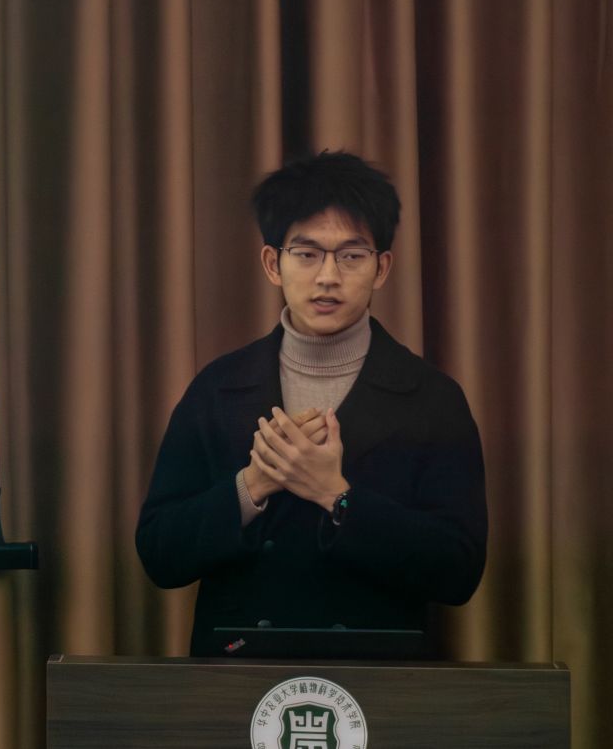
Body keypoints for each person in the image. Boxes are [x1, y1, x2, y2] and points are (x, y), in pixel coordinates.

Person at [136, 152, 486, 657]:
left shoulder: (431, 397)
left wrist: (336, 495)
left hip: (377, 677)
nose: (327, 276)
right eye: (306, 254)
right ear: (272, 264)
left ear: (382, 267)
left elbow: (459, 572)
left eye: (351, 256)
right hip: (238, 673)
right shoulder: (217, 388)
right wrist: (252, 486)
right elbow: (160, 554)